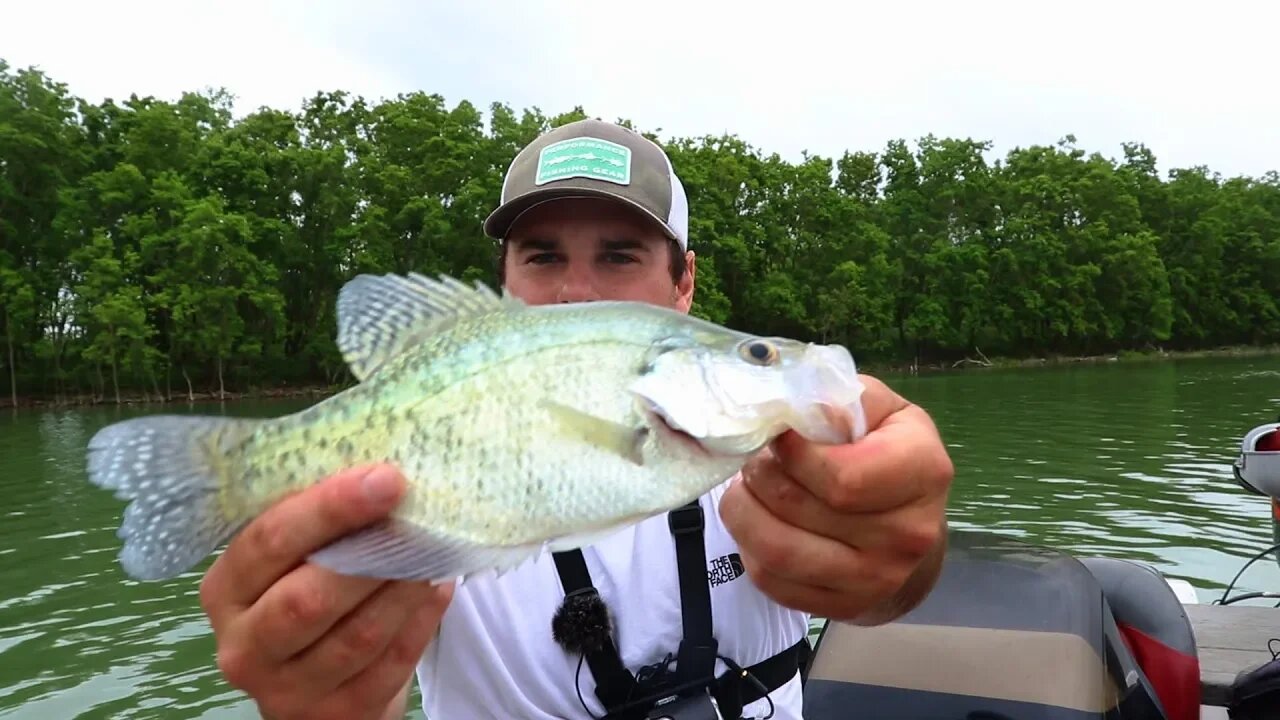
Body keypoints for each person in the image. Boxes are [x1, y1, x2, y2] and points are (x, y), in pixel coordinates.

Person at [198, 119, 955, 720]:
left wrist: (902, 558)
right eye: (542, 257)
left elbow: (887, 589)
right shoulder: (411, 511)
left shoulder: (771, 463)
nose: (576, 292)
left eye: (621, 257)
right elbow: (367, 684)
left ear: (684, 280)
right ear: (503, 275)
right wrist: (324, 706)